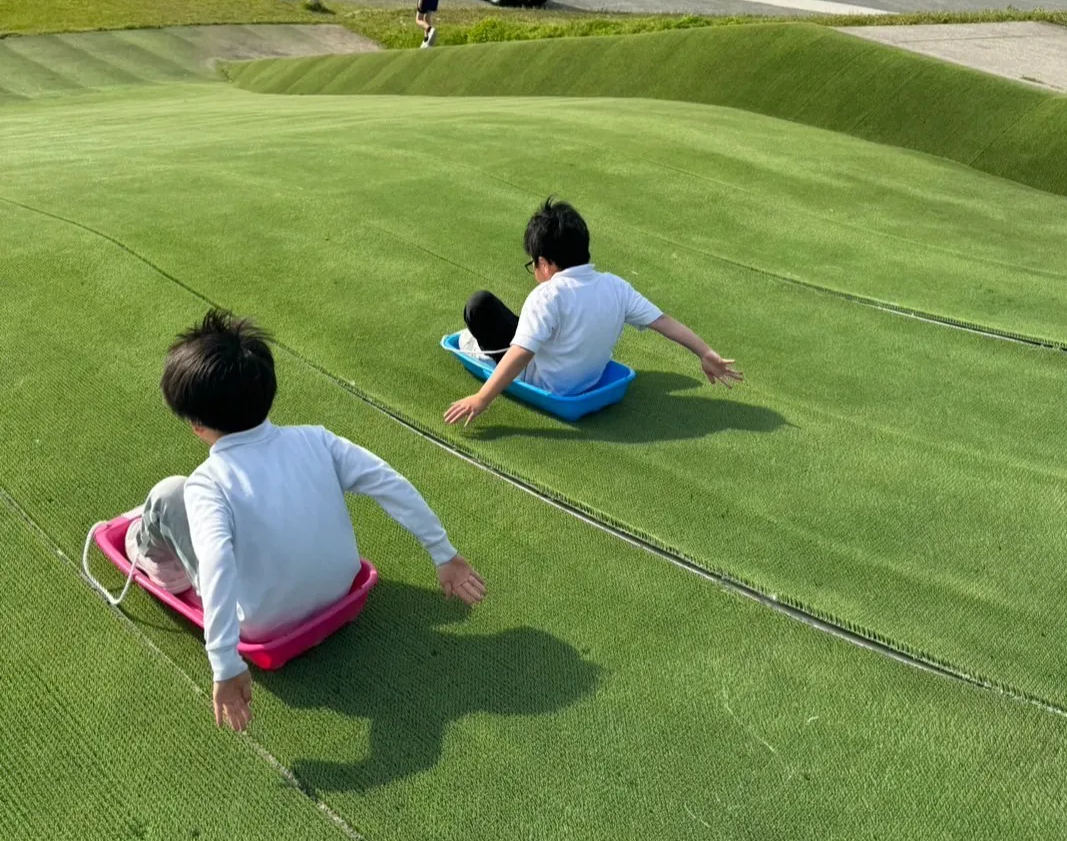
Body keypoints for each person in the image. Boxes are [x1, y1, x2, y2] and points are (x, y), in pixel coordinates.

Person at [127, 309, 486, 732]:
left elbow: (218, 565)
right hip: (340, 586)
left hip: (262, 623)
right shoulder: (316, 439)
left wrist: (224, 664)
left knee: (168, 493)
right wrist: (443, 554)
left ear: (195, 425)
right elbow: (390, 484)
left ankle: (155, 559)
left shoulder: (206, 484)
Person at [444, 199, 742, 426]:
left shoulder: (546, 296)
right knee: (531, 328)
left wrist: (482, 398)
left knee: (479, 306)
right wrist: (704, 351)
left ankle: (475, 347)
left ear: (545, 263)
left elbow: (521, 353)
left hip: (544, 381)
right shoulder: (616, 286)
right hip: (589, 380)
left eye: (533, 264)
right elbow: (662, 322)